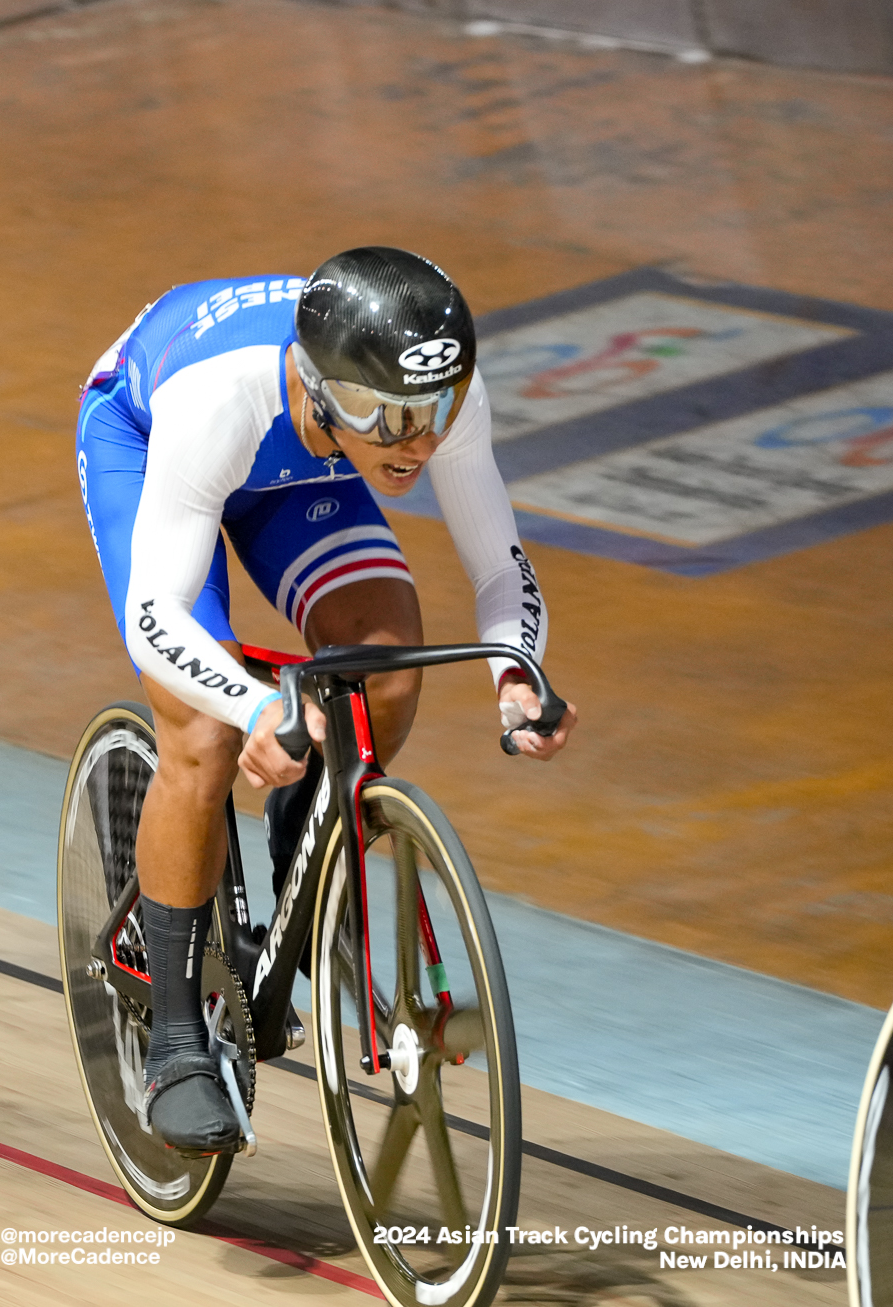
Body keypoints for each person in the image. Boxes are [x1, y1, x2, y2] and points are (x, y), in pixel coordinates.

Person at [75, 247, 578, 1154]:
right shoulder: (219, 399)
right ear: (328, 390)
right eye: (393, 420)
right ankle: (181, 1042)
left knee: (385, 666)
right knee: (199, 734)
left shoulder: (425, 399)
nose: (419, 444)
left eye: (434, 415)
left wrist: (516, 673)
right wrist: (252, 707)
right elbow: (156, 620)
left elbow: (501, 566)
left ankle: (308, 845)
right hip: (154, 439)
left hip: (303, 467)